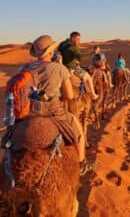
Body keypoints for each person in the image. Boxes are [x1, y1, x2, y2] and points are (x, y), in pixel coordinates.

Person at [17, 35, 88, 174]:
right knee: (77, 129)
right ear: (50, 52)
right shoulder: (59, 68)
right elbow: (69, 95)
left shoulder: (24, 68)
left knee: (9, 136)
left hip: (28, 112)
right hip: (53, 111)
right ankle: (82, 164)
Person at [58, 32, 98, 100]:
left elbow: (59, 53)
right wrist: (92, 53)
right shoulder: (73, 47)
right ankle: (93, 95)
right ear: (73, 38)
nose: (79, 41)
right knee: (88, 78)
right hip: (72, 68)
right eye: (78, 39)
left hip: (62, 67)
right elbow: (80, 57)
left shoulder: (62, 44)